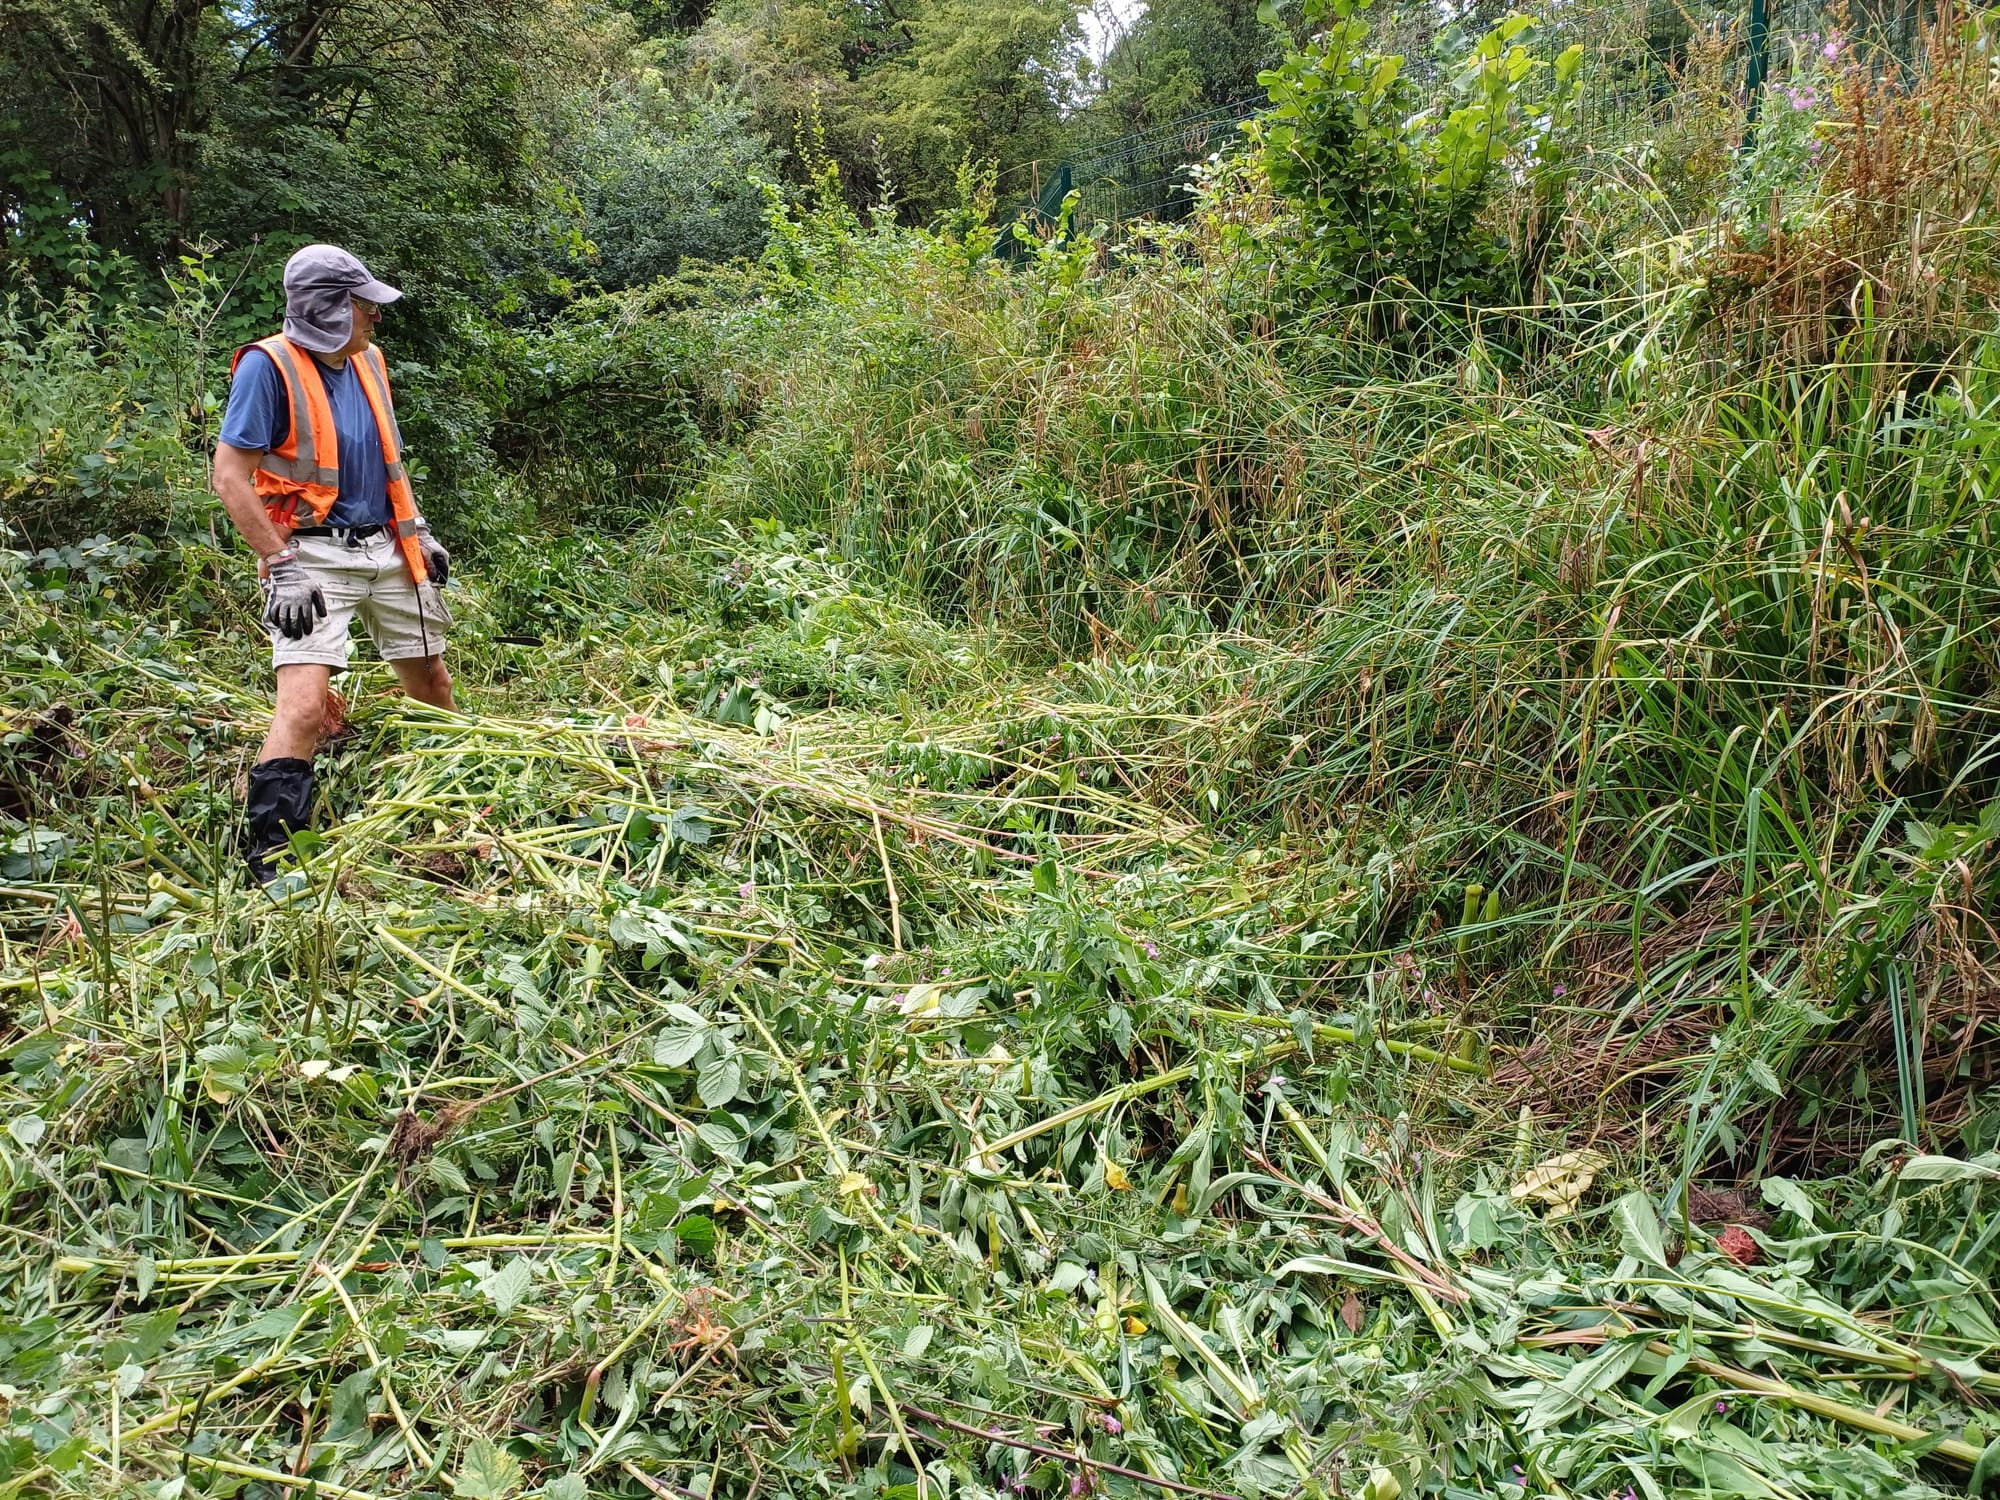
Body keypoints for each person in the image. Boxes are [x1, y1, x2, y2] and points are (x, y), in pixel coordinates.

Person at [212, 244, 455, 884]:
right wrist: (279, 563)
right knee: (303, 710)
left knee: (432, 683)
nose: (375, 318)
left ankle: (451, 817)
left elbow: (387, 461)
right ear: (328, 309)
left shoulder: (370, 362)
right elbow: (229, 476)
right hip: (312, 556)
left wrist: (419, 531)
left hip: (389, 548)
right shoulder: (269, 368)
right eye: (362, 305)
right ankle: (275, 864)